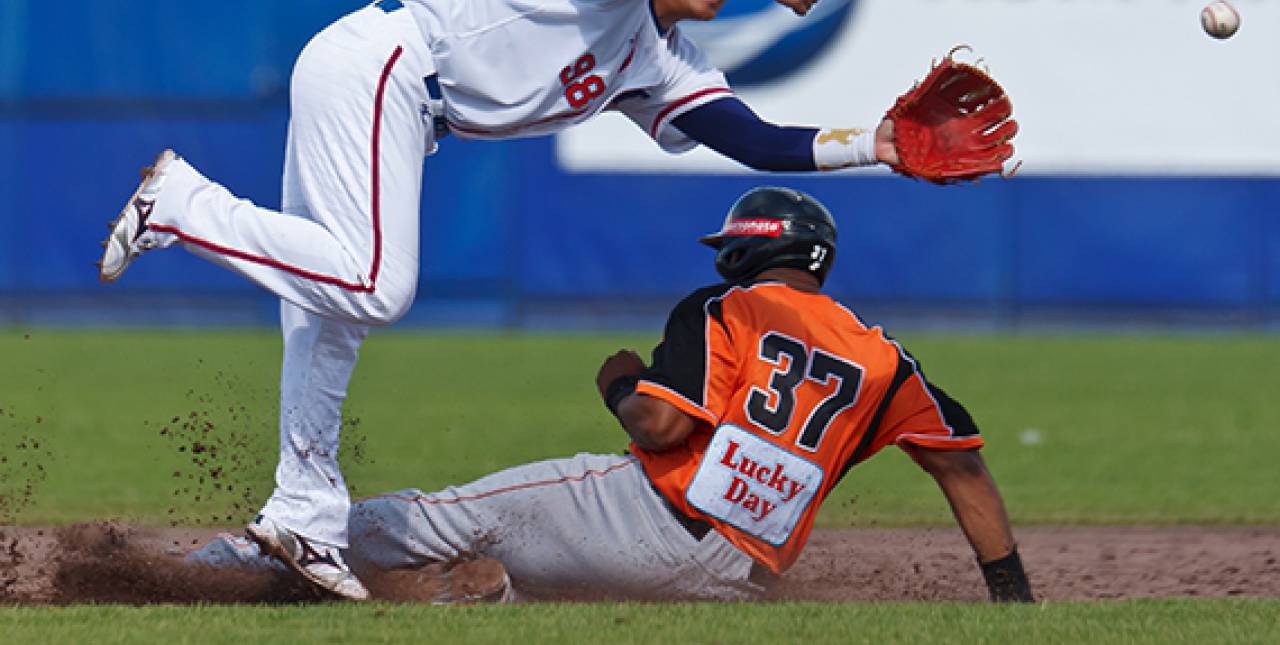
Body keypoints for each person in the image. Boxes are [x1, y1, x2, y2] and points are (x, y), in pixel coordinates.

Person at [99, 0, 905, 601]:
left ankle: (300, 514)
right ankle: (182, 206)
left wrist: (877, 144)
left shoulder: (665, 65)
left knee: (330, 317)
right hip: (385, 63)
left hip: (397, 97)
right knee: (377, 285)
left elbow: (757, 140)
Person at [336, 186, 1033, 602]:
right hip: (740, 580)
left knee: (433, 519)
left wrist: (619, 384)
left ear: (748, 248)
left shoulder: (726, 306)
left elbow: (662, 425)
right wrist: (1011, 598)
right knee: (546, 586)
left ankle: (288, 547)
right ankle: (481, 598)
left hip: (641, 518)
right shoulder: (886, 361)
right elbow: (963, 469)